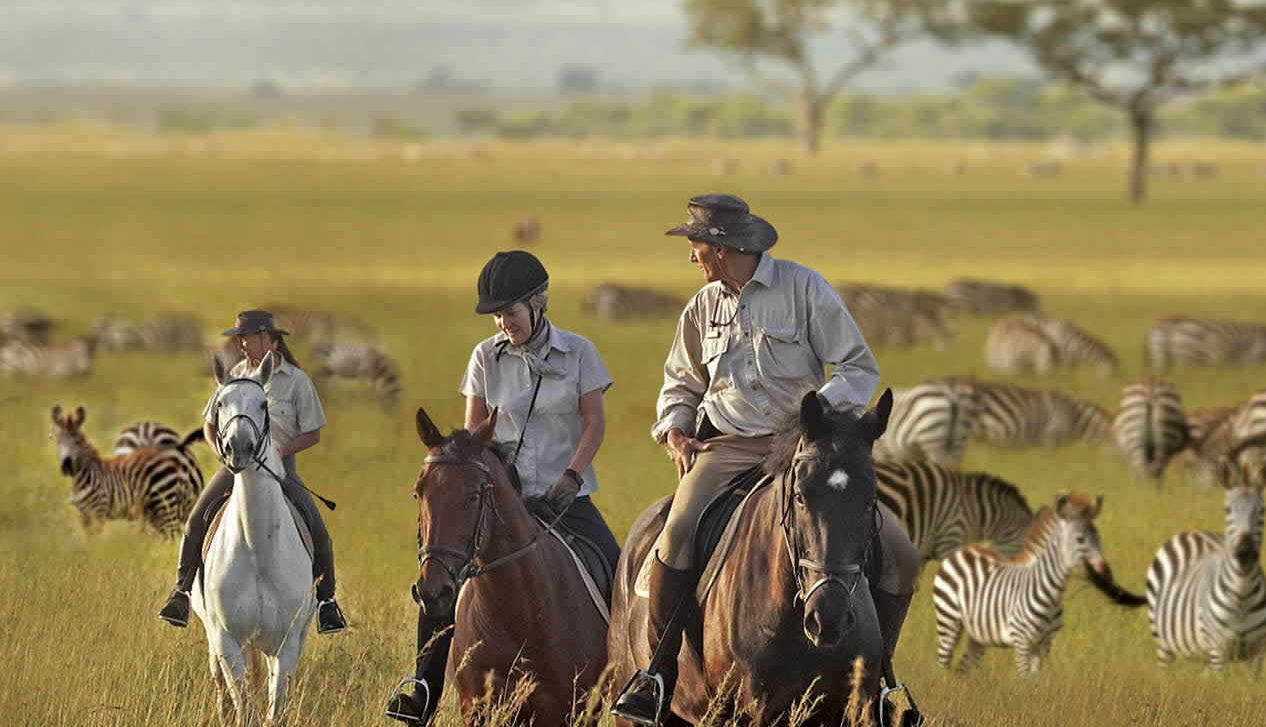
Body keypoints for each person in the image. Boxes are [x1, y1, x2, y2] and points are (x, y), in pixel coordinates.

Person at [612, 194, 921, 725]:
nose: (692, 257)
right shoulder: (701, 307)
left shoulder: (805, 288)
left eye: (696, 245)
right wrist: (675, 432)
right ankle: (657, 677)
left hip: (804, 446)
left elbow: (857, 368)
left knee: (901, 553)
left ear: (723, 246)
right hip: (727, 448)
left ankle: (881, 683)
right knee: (679, 530)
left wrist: (817, 414)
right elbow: (679, 385)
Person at [385, 249, 620, 725]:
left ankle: (633, 679)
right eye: (496, 315)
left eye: (509, 312)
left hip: (564, 500)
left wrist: (572, 477)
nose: (501, 323)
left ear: (539, 303)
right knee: (441, 576)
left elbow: (594, 426)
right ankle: (422, 689)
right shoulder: (484, 357)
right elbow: (475, 435)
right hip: (499, 501)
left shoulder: (579, 353)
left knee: (617, 572)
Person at [159, 310, 347, 633]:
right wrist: (220, 450)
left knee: (319, 531)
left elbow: (313, 433)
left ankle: (327, 603)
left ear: (269, 339)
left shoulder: (297, 381)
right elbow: (208, 424)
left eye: (246, 338)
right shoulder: (234, 375)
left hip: (281, 469)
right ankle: (181, 593)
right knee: (194, 521)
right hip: (236, 466)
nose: (241, 345)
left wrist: (281, 451)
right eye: (239, 339)